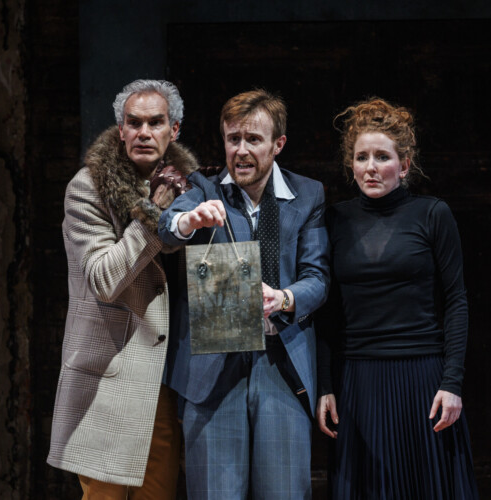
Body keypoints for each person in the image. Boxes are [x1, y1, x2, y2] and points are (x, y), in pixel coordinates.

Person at [158, 89, 330, 499]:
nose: (241, 150)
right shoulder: (203, 187)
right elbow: (167, 225)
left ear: (278, 144)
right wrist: (190, 220)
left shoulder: (307, 195)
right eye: (233, 139)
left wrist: (283, 298)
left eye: (253, 139)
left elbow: (318, 277)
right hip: (215, 366)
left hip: (280, 363)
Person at [316, 98, 478, 499]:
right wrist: (325, 385)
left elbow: (456, 300)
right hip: (358, 380)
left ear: (404, 165)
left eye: (382, 157)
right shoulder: (334, 219)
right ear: (351, 164)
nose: (370, 167)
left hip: (421, 378)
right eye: (361, 157)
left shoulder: (432, 214)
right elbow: (326, 312)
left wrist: (452, 382)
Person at [47, 79, 199, 499]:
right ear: (121, 130)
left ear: (174, 130)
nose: (144, 132)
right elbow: (104, 279)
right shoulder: (88, 187)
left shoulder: (190, 191)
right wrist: (153, 212)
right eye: (134, 123)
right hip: (109, 379)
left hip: (162, 382)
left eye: (155, 123)